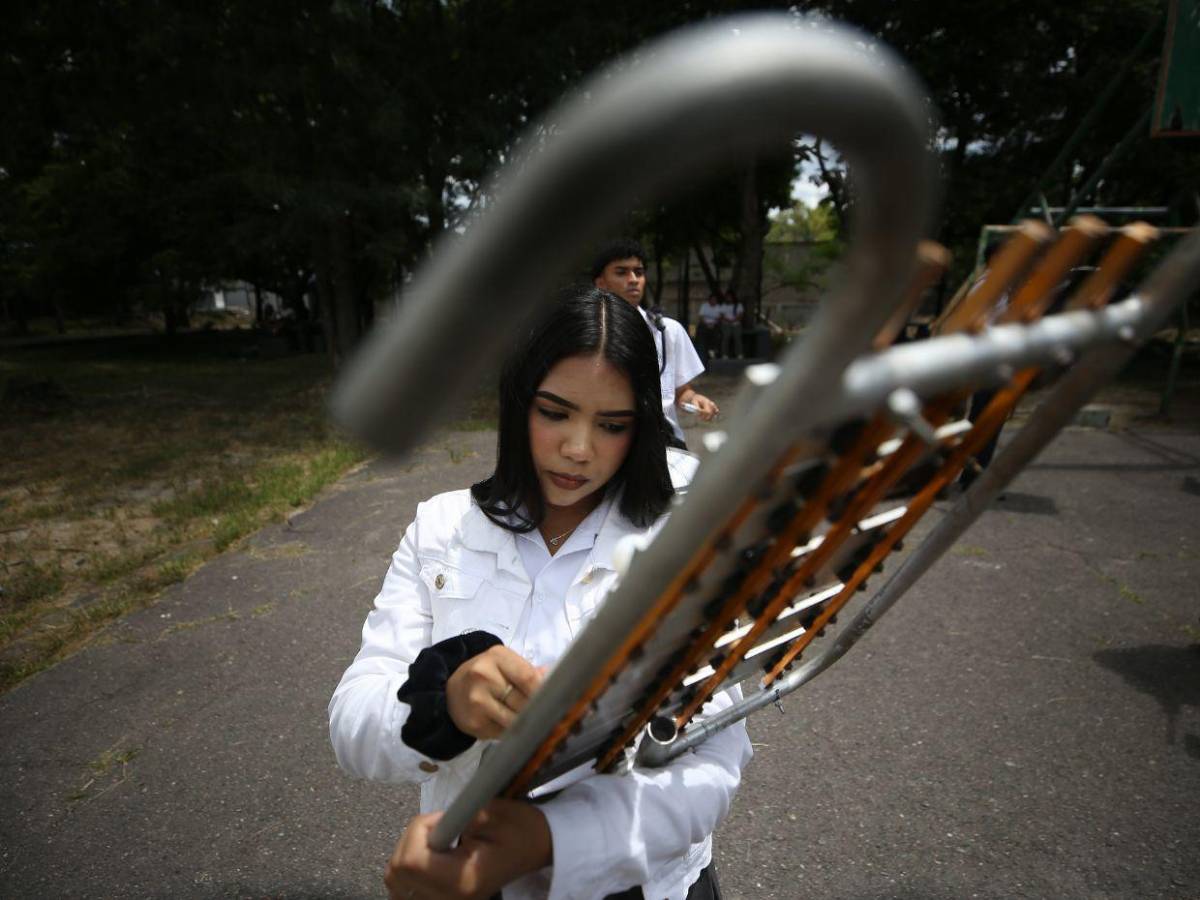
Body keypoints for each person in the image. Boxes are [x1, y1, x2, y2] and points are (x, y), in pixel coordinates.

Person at [329, 288, 751, 900]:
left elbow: (712, 757)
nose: (578, 449)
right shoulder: (442, 528)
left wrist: (554, 839)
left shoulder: (688, 522)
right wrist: (444, 709)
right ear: (517, 401)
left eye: (612, 425)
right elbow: (352, 721)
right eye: (554, 412)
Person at [590, 239, 719, 449]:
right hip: (606, 446)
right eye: (621, 272)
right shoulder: (585, 333)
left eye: (638, 272)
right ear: (601, 283)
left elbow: (681, 392)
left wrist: (695, 400)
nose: (633, 279)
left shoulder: (668, 331)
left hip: (664, 446)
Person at [717, 291, 744, 361]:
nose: (729, 299)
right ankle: (724, 354)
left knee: (737, 337)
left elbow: (740, 315)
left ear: (733, 297)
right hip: (726, 324)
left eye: (730, 297)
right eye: (727, 297)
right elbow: (721, 315)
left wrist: (734, 320)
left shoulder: (738, 305)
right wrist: (729, 320)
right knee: (726, 337)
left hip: (736, 324)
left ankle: (739, 354)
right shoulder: (723, 305)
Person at [696, 293, 722, 363]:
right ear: (709, 300)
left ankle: (713, 351)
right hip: (705, 325)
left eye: (715, 300)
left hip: (714, 326)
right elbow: (701, 317)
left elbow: (720, 318)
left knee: (716, 335)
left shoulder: (719, 307)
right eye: (712, 300)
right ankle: (702, 353)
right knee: (701, 334)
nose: (714, 301)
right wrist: (707, 324)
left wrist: (713, 324)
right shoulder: (704, 306)